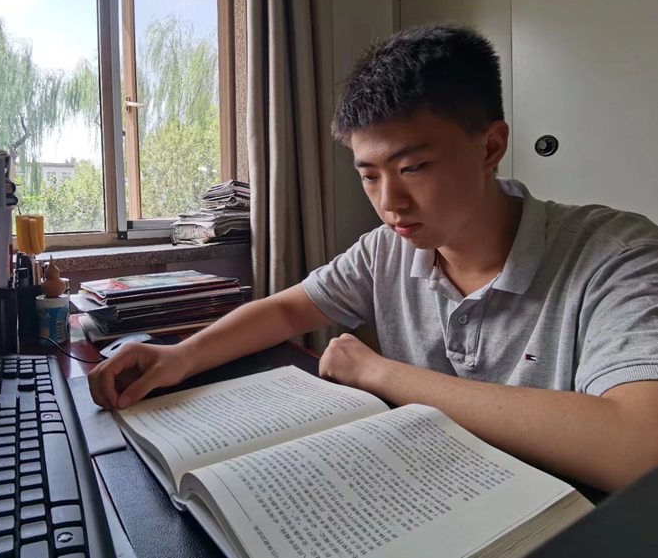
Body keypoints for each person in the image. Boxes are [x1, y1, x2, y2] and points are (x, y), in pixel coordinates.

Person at [88, 25, 658, 492]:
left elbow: (639, 449)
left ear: (490, 146)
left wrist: (379, 373)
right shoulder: (389, 247)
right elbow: (288, 310)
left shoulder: (616, 254)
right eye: (369, 175)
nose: (390, 203)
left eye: (413, 168)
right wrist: (179, 357)